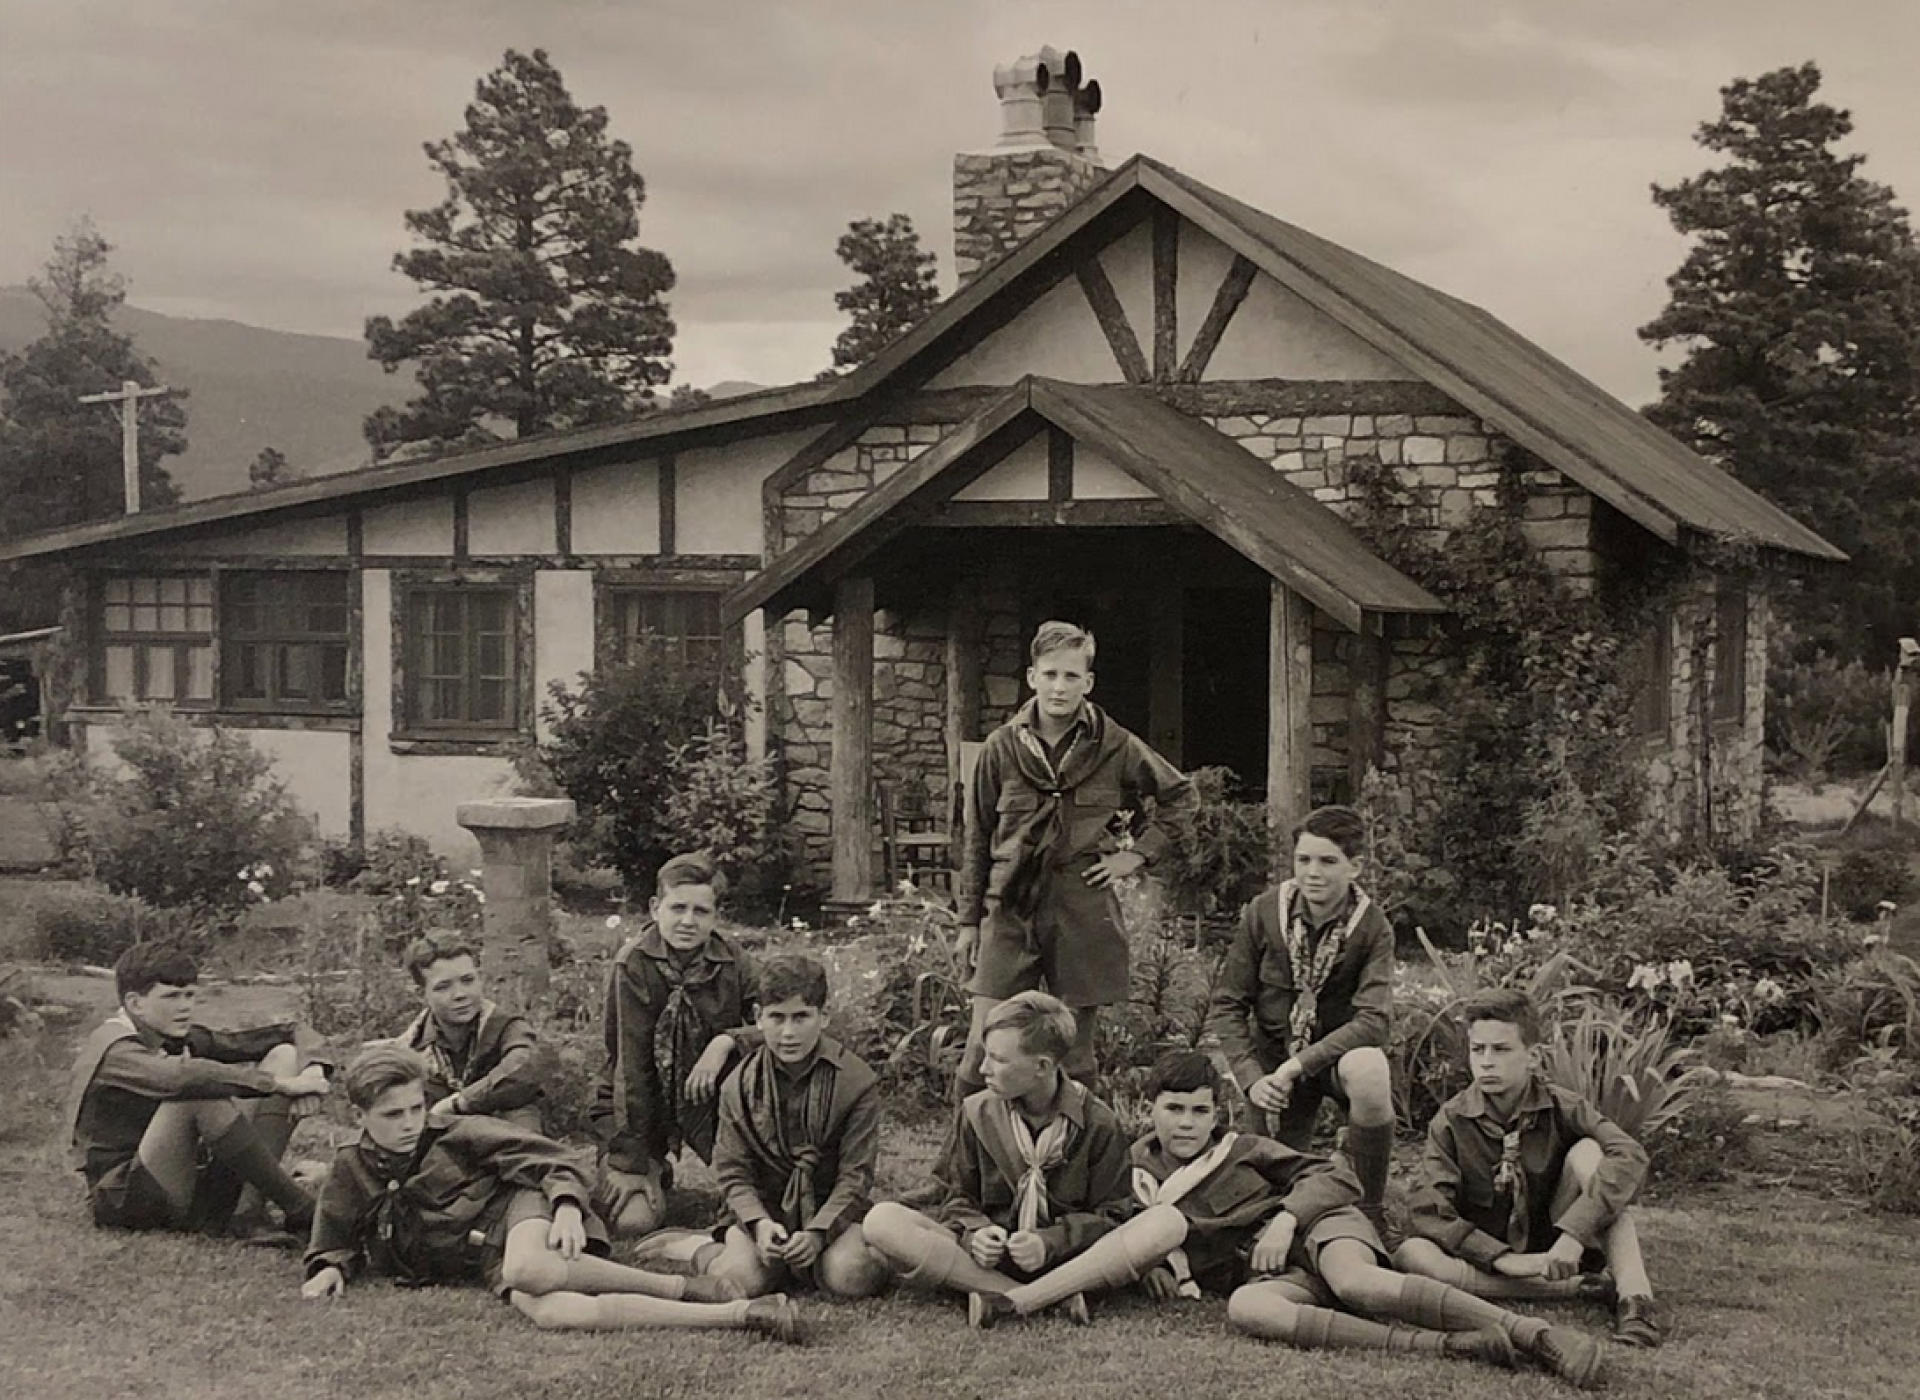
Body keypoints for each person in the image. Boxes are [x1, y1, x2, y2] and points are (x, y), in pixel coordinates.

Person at [1126, 1051, 1605, 1386]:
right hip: (1269, 1273)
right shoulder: (1134, 1175)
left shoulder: (1243, 1150)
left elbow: (1338, 1177)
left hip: (1323, 1230)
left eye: (1199, 1111)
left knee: (1356, 1282)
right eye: (1173, 1109)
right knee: (1247, 1309)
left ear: (1217, 1116)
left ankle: (1537, 1335)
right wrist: (1153, 1264)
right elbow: (1116, 1230)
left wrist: (1288, 1219)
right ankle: (1450, 1346)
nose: (1186, 1122)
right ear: (1150, 1110)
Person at [302, 1044, 797, 1341]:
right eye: (392, 1115)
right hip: (483, 1260)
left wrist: (563, 1207)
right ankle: (741, 1314)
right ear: (359, 1116)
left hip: (521, 1210)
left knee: (528, 1266)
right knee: (558, 1312)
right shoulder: (351, 1166)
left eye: (414, 1108)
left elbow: (554, 1159)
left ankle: (681, 1286)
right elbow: (334, 1232)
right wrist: (328, 1266)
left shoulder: (455, 1132)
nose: (410, 1123)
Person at [954, 620, 1192, 1097]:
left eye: (1070, 676)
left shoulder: (1114, 745)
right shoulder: (1000, 748)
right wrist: (968, 922)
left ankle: (1075, 1157)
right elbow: (977, 838)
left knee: (1076, 1053)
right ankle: (964, 1161)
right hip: (1011, 906)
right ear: (1031, 677)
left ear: (1088, 682)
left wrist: (1135, 857)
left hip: (1082, 904)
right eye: (1050, 675)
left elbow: (1180, 799)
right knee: (983, 1047)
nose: (1059, 688)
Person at [1395, 987, 1666, 1349]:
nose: (1487, 1061)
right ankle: (1580, 1287)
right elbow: (1430, 1208)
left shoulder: (1563, 1105)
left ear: (1533, 1056)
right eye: (1478, 1050)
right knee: (1413, 1253)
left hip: (1558, 1239)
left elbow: (1629, 1154)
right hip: (1487, 1252)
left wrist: (1574, 1233)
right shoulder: (1451, 1121)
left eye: (1502, 1049)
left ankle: (1636, 1300)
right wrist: (1501, 1259)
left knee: (1592, 1157)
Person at [864, 992, 1142, 1323]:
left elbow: (1115, 1215)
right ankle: (1033, 1298)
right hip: (990, 1260)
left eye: (998, 1059)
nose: (983, 1069)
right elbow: (955, 1196)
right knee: (881, 1220)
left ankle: (1017, 1298)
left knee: (1165, 1223)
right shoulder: (976, 1113)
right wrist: (976, 1233)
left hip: (1069, 1261)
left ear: (1042, 1067)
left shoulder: (1097, 1122)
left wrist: (1049, 1242)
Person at [635, 953, 890, 1300]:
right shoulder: (738, 1086)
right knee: (742, 1282)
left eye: (801, 1017)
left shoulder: (857, 1082)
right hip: (764, 1207)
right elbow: (733, 1172)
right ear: (758, 1018)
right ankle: (696, 1248)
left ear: (824, 1017)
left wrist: (818, 1231)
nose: (788, 1033)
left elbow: (855, 1176)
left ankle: (815, 1258)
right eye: (777, 1018)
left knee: (851, 1276)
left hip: (829, 1207)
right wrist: (758, 1222)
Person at [1206, 803, 1397, 1231]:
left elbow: (1373, 1022)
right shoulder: (1264, 912)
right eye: (1304, 859)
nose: (1313, 872)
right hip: (1272, 1061)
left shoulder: (1371, 927)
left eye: (1328, 861)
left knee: (1370, 1069)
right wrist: (1253, 1078)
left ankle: (1369, 1209)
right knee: (1269, 1185)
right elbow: (1228, 1003)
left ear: (1355, 867)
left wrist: (1302, 1064)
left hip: (1329, 1060)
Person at [66, 941, 328, 1239]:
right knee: (196, 1095)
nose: (185, 1006)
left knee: (284, 1055)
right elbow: (181, 1077)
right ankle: (301, 1207)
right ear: (136, 1003)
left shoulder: (175, 1035)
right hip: (124, 1195)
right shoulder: (113, 1047)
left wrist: (312, 1070)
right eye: (172, 997)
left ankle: (247, 1213)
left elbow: (289, 1031)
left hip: (184, 1175)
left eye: (190, 995)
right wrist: (281, 1086)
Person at [590, 852, 762, 1237]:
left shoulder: (734, 961)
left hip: (710, 1094)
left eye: (701, 911)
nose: (688, 921)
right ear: (655, 908)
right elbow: (629, 1066)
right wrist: (631, 1160)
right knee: (633, 1222)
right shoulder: (631, 965)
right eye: (678, 907)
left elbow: (774, 1022)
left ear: (715, 916)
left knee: (757, 1204)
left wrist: (725, 1041)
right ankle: (653, 1167)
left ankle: (741, 1174)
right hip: (641, 1101)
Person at [397, 932, 545, 1131]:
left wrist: (458, 1103)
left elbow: (523, 1067)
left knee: (521, 1118)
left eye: (468, 980)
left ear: (480, 979)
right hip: (441, 1134)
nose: (460, 995)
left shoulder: (505, 1026)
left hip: (503, 1126)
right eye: (443, 987)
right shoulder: (412, 1045)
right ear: (420, 994)